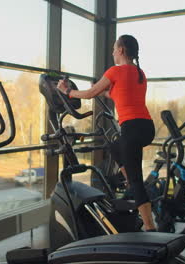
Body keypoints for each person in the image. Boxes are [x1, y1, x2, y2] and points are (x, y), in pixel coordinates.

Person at [57, 34, 156, 231]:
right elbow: (119, 95)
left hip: (132, 128)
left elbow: (88, 94)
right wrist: (104, 92)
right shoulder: (140, 73)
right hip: (147, 127)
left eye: (114, 48)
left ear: (120, 50)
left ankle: (150, 226)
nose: (112, 52)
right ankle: (130, 183)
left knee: (137, 181)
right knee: (115, 147)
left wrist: (67, 91)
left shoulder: (114, 71)